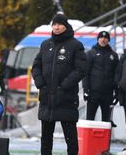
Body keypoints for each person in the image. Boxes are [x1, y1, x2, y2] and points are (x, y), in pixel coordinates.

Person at [32, 14, 87, 155]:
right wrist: (40, 84)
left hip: (66, 98)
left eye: (59, 24)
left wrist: (65, 85)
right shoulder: (45, 45)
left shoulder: (75, 45)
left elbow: (81, 69)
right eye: (54, 24)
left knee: (71, 139)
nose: (56, 27)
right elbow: (36, 66)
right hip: (47, 98)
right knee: (46, 138)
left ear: (65, 26)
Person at [82, 31, 119, 122]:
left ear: (108, 40)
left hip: (108, 93)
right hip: (93, 93)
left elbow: (117, 74)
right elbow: (86, 73)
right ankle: (89, 137)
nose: (103, 40)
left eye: (105, 38)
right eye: (101, 38)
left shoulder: (113, 55)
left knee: (106, 120)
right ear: (98, 39)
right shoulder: (91, 53)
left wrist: (117, 92)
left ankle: (105, 137)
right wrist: (85, 89)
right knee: (90, 119)